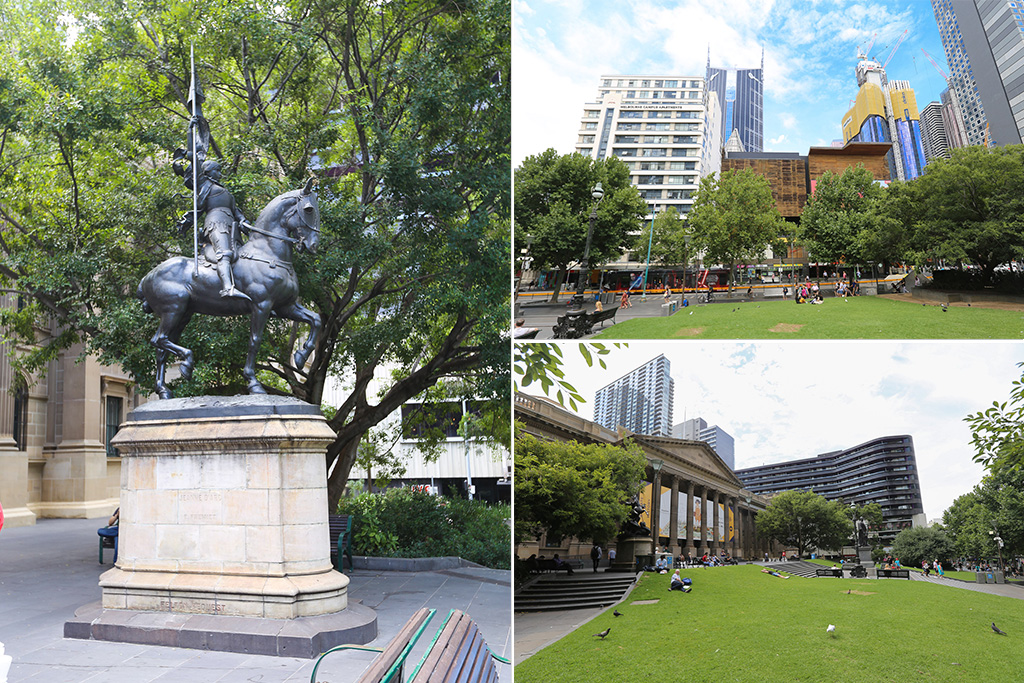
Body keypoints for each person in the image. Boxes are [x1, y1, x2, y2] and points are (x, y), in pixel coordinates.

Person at [176, 159, 252, 301]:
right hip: (216, 224)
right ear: (208, 172)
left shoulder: (225, 191)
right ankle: (227, 288)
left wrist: (243, 220)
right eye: (216, 170)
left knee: (244, 257)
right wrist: (194, 157)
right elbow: (197, 173)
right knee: (224, 253)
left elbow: (236, 210)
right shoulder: (206, 185)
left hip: (232, 227)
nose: (219, 174)